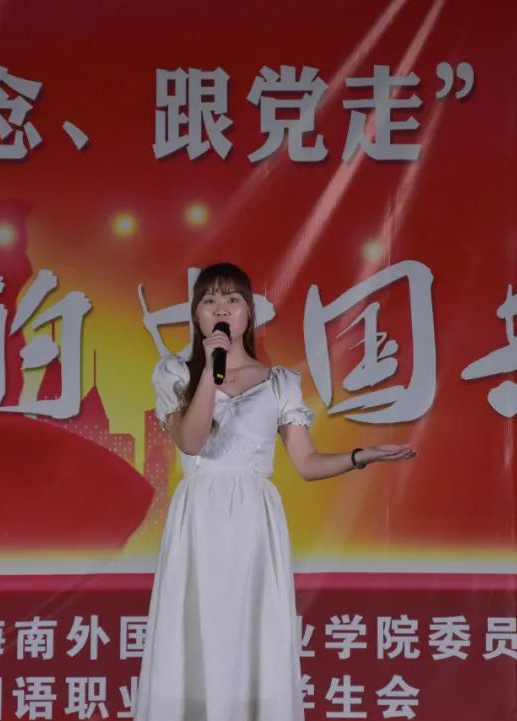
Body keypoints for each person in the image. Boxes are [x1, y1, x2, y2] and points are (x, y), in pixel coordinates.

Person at [135, 262, 416, 721]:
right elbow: (191, 441)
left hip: (253, 520)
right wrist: (209, 370)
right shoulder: (176, 373)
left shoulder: (280, 382)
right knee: (195, 632)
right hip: (199, 518)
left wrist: (362, 455)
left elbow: (306, 463)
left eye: (232, 299)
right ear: (196, 314)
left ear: (248, 313)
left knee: (251, 632)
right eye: (209, 300)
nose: (220, 308)